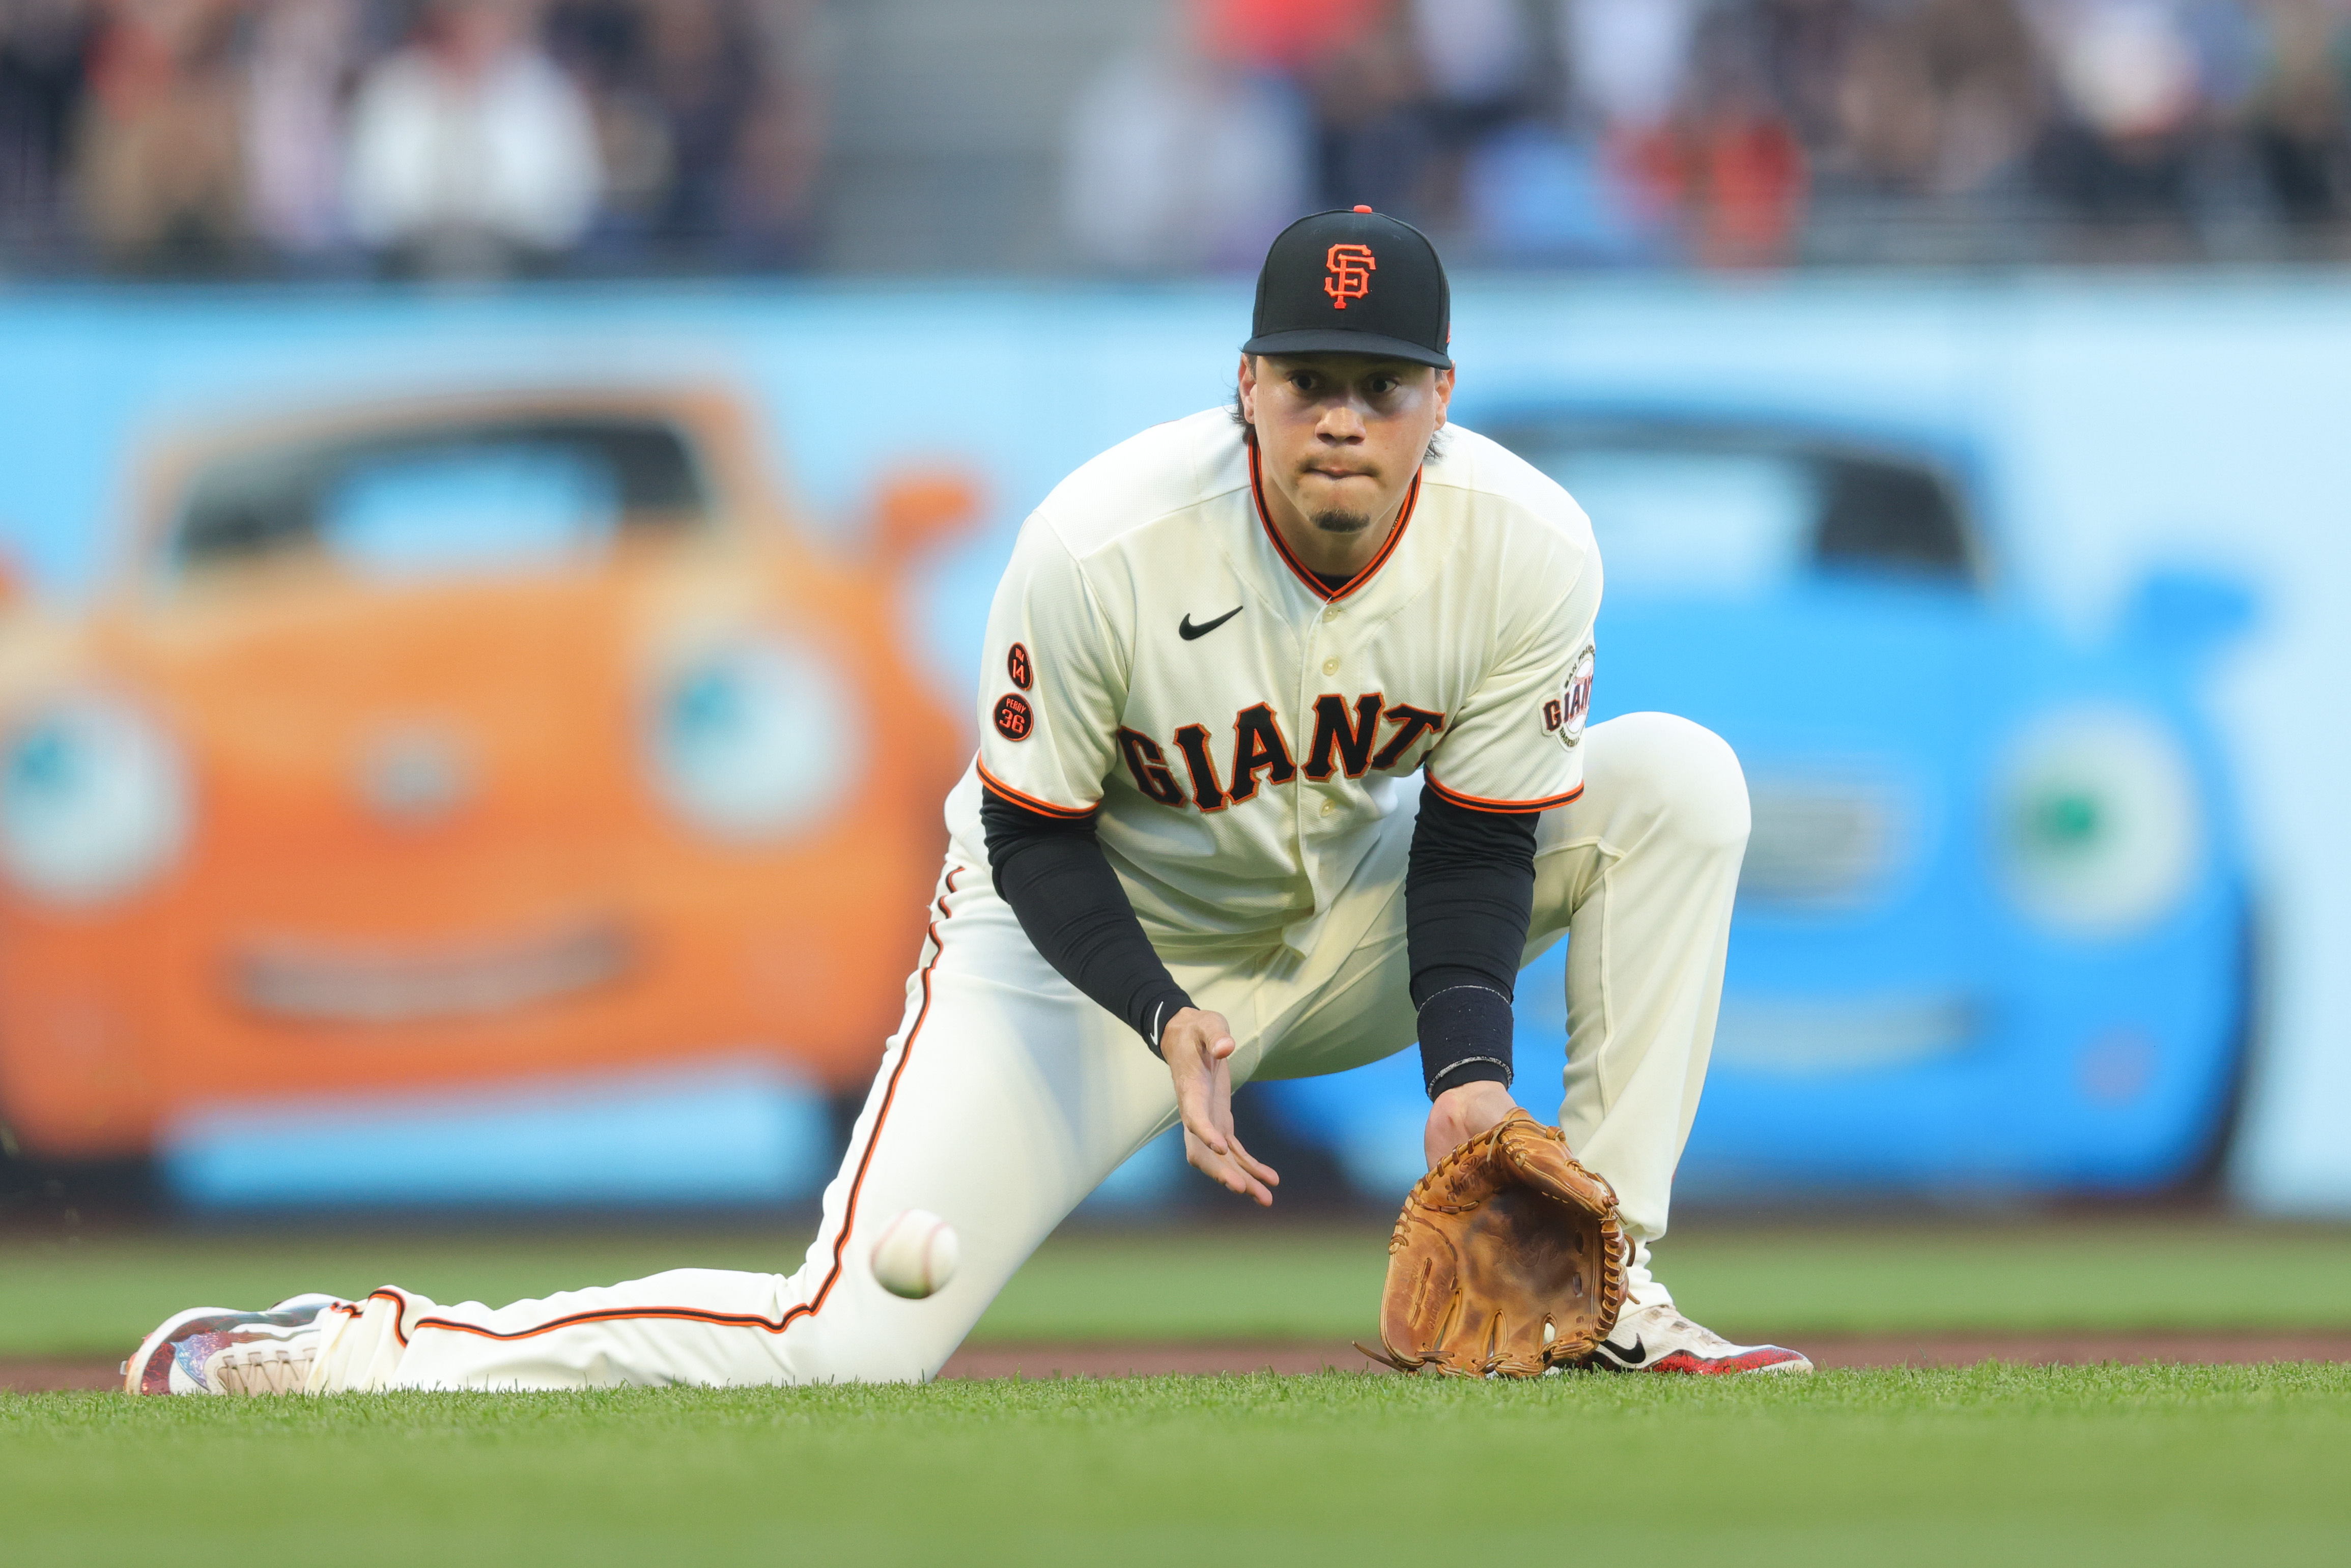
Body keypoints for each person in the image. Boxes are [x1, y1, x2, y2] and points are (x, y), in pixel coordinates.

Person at [125, 207, 1810, 1394]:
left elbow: (1476, 837)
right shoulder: (1100, 544)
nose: (1342, 420)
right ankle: (350, 1346)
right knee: (844, 1342)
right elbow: (1031, 834)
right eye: (1309, 380)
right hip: (1072, 966)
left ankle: (1609, 1290)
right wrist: (1159, 1015)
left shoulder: (1527, 545)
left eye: (1380, 385)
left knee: (1679, 782)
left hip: (1343, 921)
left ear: (1440, 398)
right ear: (1245, 386)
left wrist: (1464, 1076)